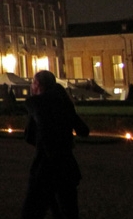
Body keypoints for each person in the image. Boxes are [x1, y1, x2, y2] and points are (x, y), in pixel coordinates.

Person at [21, 70, 90, 219]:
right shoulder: (63, 103)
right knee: (67, 212)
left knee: (31, 212)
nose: (31, 86)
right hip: (66, 165)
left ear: (38, 84)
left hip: (45, 166)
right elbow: (83, 130)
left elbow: (30, 136)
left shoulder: (38, 105)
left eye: (33, 82)